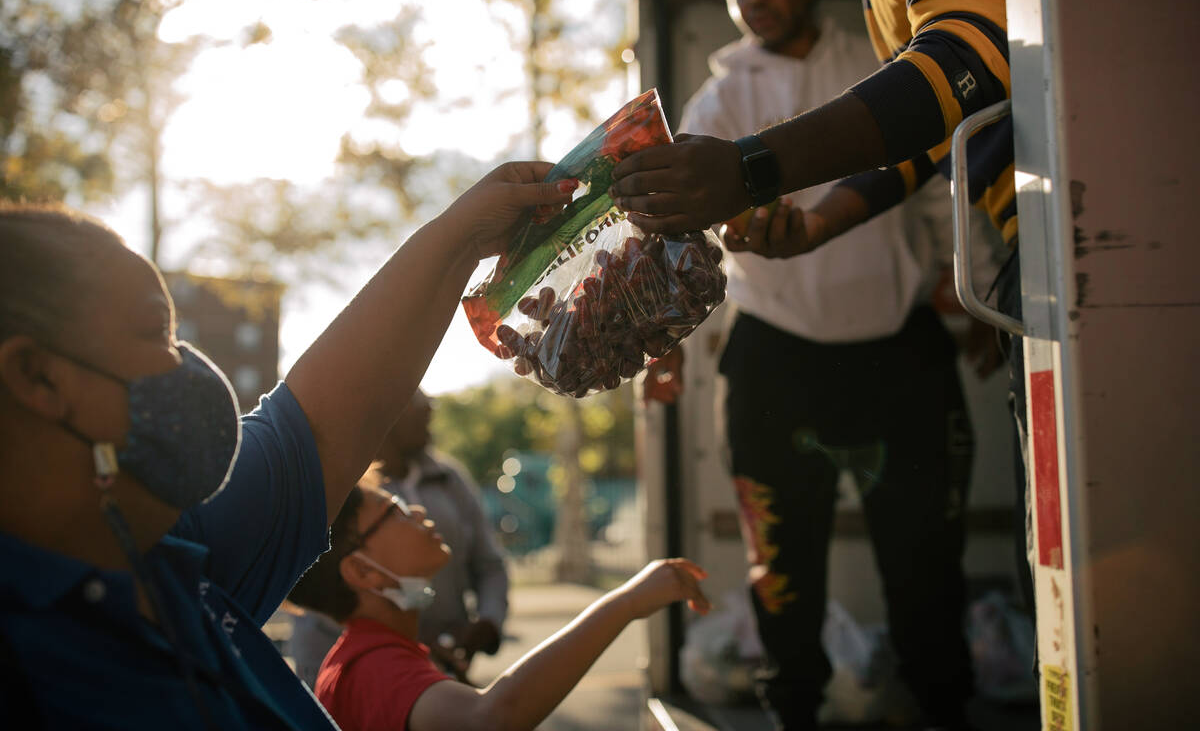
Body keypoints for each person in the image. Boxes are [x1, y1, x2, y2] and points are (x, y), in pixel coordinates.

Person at [0, 163, 574, 729]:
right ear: (39, 377)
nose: (189, 367)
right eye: (157, 333)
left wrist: (465, 234)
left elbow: (328, 417)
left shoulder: (168, 552)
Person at [614, 0, 1036, 653]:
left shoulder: (879, 58)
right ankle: (794, 708)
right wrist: (665, 342)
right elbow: (683, 236)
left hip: (901, 349)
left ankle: (940, 704)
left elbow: (938, 176)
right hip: (774, 358)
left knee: (927, 563)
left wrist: (961, 283)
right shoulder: (718, 99)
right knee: (781, 575)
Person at [287, 483, 711, 731]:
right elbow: (493, 717)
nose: (416, 510)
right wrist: (628, 602)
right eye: (394, 510)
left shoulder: (375, 656)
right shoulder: (373, 667)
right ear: (363, 572)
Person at [288, 390, 509, 687]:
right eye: (397, 512)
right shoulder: (346, 497)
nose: (430, 408)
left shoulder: (449, 478)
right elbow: (503, 711)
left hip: (432, 666)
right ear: (384, 414)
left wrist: (488, 621)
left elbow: (488, 563)